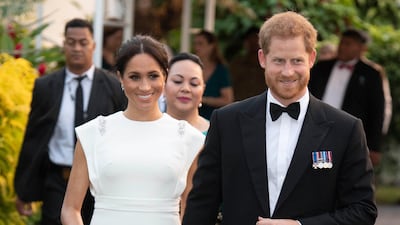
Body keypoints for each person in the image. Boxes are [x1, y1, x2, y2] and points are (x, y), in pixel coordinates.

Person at [182, 11, 377, 225]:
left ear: (311, 58)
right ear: (262, 59)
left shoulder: (346, 129)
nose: (287, 72)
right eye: (278, 61)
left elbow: (362, 211)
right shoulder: (227, 122)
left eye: (296, 61)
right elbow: (202, 204)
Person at [61, 35, 205, 225]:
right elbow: (70, 209)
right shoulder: (93, 133)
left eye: (153, 76)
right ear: (120, 77)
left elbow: (190, 210)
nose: (144, 86)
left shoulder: (189, 138)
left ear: (165, 75)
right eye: (134, 77)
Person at [13, 18, 127, 225]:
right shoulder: (46, 86)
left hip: (100, 186)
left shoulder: (113, 87)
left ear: (93, 45)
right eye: (71, 42)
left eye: (83, 42)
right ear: (64, 44)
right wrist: (23, 189)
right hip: (58, 181)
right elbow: (33, 137)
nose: (77, 48)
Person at [309, 28, 385, 166]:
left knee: (347, 172)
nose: (342, 47)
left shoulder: (370, 74)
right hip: (320, 130)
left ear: (361, 48)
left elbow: (377, 110)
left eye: (348, 44)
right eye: (341, 43)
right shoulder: (321, 67)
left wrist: (374, 146)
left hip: (350, 133)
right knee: (321, 169)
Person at [164, 52, 210, 134]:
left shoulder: (216, 133)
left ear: (203, 89)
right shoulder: (148, 130)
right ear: (163, 85)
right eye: (177, 81)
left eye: (194, 83)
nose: (186, 89)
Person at [193, 30, 234, 119]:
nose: (196, 47)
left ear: (211, 46)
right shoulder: (191, 68)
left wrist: (202, 99)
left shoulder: (221, 70)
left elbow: (227, 100)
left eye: (200, 44)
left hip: (213, 119)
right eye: (195, 44)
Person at [229, 26, 267, 101]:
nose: (253, 43)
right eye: (250, 40)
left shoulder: (268, 63)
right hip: (239, 105)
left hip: (262, 105)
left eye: (256, 40)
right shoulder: (237, 63)